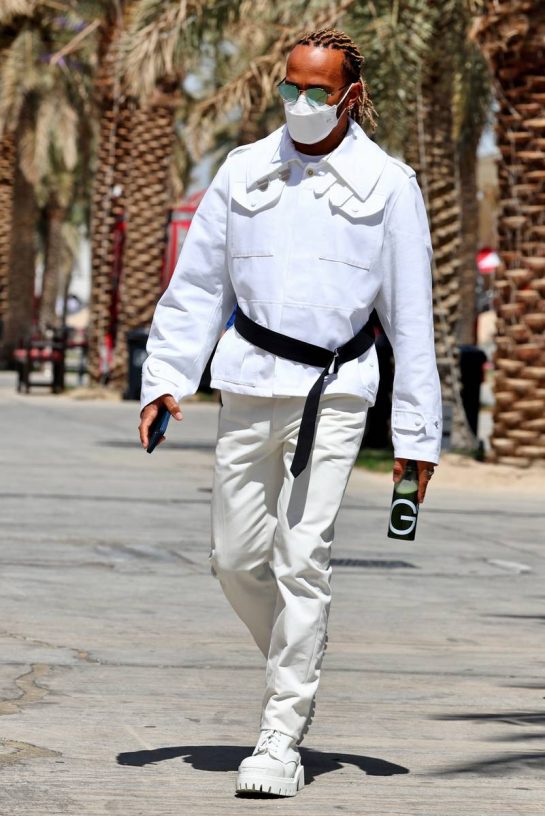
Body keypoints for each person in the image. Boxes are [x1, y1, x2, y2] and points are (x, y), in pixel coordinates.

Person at [138, 28, 441, 798]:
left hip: (335, 394)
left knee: (301, 559)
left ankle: (280, 735)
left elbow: (410, 320)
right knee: (235, 559)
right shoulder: (242, 172)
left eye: (318, 92)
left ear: (351, 96)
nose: (301, 104)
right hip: (247, 385)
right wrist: (165, 378)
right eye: (290, 89)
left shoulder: (389, 185)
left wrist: (414, 437)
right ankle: (293, 660)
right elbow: (199, 285)